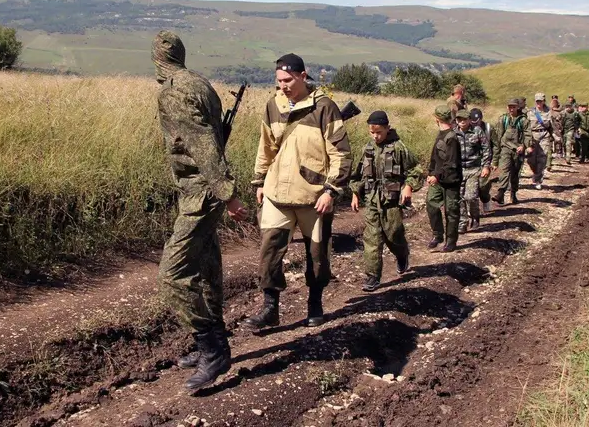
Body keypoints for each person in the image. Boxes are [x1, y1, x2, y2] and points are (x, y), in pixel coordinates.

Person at [153, 31, 248, 392]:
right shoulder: (200, 83)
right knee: (207, 267)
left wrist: (228, 194)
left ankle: (212, 347)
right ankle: (213, 341)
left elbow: (204, 144)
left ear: (156, 58)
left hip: (201, 192)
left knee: (173, 274)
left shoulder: (174, 90)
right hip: (201, 191)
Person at [245, 53, 352, 330]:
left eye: (288, 80)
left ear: (304, 76)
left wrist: (331, 191)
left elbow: (340, 153)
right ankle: (270, 307)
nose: (283, 86)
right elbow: (265, 147)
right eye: (279, 80)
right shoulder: (273, 106)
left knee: (317, 256)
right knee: (269, 252)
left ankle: (315, 302)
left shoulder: (325, 107)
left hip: (313, 197)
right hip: (277, 195)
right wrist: (259, 182)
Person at [349, 111, 424, 292]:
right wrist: (355, 193)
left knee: (394, 235)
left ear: (387, 129)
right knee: (372, 238)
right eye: (372, 132)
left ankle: (402, 255)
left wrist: (408, 186)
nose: (375, 136)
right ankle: (372, 276)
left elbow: (416, 169)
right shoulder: (367, 148)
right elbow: (357, 175)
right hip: (372, 202)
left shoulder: (398, 147)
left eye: (379, 132)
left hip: (391, 203)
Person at [426, 105, 462, 252]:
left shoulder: (451, 137)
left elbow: (451, 162)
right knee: (431, 204)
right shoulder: (441, 133)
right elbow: (435, 157)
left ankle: (451, 241)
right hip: (438, 179)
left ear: (437, 119)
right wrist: (430, 173)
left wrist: (436, 175)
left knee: (451, 211)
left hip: (451, 180)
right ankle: (438, 235)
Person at [454, 108, 492, 233]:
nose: (462, 122)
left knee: (470, 196)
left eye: (464, 119)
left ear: (469, 120)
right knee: (459, 197)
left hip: (473, 169)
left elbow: (486, 149)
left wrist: (486, 166)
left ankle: (475, 217)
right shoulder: (453, 133)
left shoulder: (477, 131)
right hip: (459, 170)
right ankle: (462, 223)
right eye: (459, 119)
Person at [492, 99, 532, 205]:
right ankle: (500, 193)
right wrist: (495, 158)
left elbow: (528, 135)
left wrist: (524, 146)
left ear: (518, 107)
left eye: (514, 107)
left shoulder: (523, 120)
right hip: (505, 148)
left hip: (518, 151)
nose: (511, 109)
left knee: (515, 173)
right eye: (510, 107)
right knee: (504, 170)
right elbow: (498, 137)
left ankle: (513, 193)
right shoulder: (503, 119)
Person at [470, 107, 496, 214]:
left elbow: (496, 145)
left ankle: (486, 200)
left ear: (481, 119)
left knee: (482, 185)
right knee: (470, 187)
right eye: (472, 121)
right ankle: (471, 210)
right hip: (471, 161)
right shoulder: (467, 128)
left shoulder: (488, 128)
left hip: (485, 160)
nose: (475, 123)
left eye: (477, 121)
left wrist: (494, 161)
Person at [527, 92, 554, 190]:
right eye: (537, 101)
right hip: (533, 136)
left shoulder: (549, 112)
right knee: (531, 160)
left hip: (544, 136)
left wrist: (556, 137)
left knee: (542, 159)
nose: (538, 103)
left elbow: (553, 126)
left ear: (544, 101)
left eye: (540, 101)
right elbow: (526, 127)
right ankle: (536, 173)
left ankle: (538, 179)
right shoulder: (530, 112)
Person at [561, 101, 580, 165]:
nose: (568, 108)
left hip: (571, 130)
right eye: (567, 107)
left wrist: (577, 128)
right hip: (563, 130)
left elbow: (579, 121)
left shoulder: (575, 113)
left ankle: (568, 157)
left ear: (571, 107)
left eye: (569, 106)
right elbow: (557, 120)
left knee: (568, 143)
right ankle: (566, 155)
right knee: (564, 143)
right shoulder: (563, 113)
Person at [549, 95, 564, 168]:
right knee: (551, 140)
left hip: (557, 127)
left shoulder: (559, 111)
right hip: (552, 127)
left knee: (558, 140)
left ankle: (559, 152)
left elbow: (561, 120)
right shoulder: (550, 111)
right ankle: (553, 152)